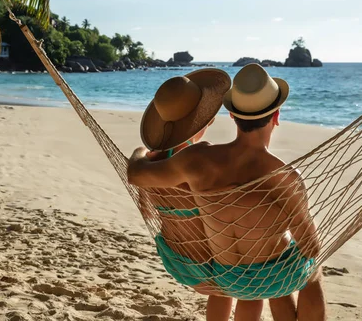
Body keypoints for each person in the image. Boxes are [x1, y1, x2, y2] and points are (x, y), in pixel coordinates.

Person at [128, 64, 326, 321]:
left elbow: (135, 175)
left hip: (227, 277)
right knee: (313, 269)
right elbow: (310, 246)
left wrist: (140, 152)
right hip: (272, 277)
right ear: (276, 117)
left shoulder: (198, 159)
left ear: (232, 116)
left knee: (276, 269)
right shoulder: (285, 177)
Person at [136, 69, 235, 321]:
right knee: (229, 288)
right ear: (204, 120)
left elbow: (146, 208)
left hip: (174, 258)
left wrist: (140, 153)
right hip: (208, 267)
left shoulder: (151, 162)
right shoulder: (201, 159)